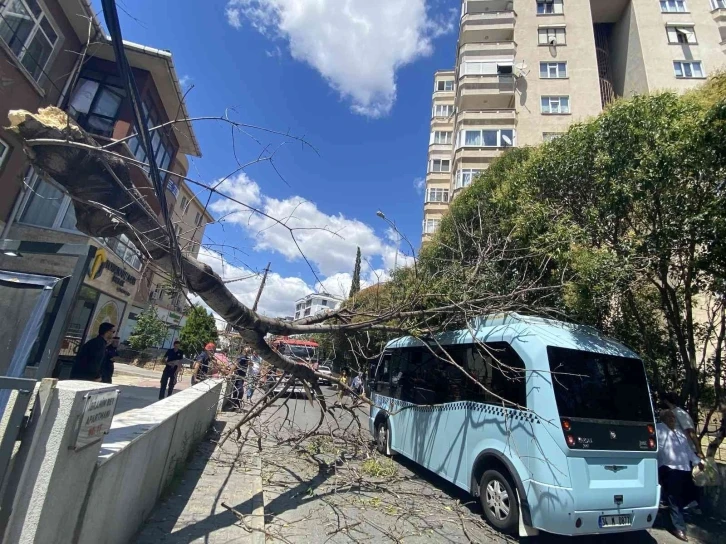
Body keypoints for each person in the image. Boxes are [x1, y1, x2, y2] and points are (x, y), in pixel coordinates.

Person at [657, 409, 705, 542]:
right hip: (668, 469)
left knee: (682, 497)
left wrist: (698, 462)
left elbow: (688, 451)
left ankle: (673, 519)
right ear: (663, 418)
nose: (672, 418)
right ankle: (679, 528)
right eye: (669, 416)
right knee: (675, 498)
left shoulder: (679, 433)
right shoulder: (658, 429)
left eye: (673, 416)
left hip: (683, 469)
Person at [661, 393, 704, 457]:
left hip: (686, 451)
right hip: (676, 450)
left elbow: (691, 432)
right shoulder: (669, 413)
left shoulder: (679, 413)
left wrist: (699, 451)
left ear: (666, 401)